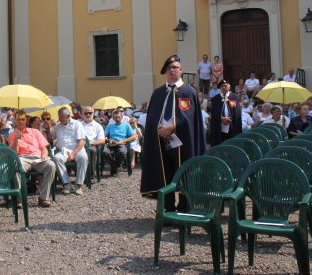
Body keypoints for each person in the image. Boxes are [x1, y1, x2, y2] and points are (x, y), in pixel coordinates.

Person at [140, 54, 205, 211]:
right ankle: (167, 209)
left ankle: (184, 208)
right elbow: (152, 117)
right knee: (164, 174)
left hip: (183, 141)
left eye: (175, 68)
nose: (172, 71)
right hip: (161, 140)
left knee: (183, 172)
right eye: (169, 68)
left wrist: (173, 127)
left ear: (181, 70)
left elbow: (189, 117)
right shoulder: (158, 93)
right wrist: (159, 129)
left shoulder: (188, 92)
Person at [8, 110, 56, 207]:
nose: (21, 122)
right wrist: (16, 139)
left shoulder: (35, 132)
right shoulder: (12, 135)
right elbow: (13, 153)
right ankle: (19, 198)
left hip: (37, 158)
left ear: (26, 120)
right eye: (18, 120)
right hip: (23, 158)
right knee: (15, 165)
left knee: (51, 165)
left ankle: (43, 198)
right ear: (15, 121)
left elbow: (44, 148)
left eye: (23, 119)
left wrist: (44, 155)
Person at [51, 107, 87, 195]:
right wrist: (48, 128)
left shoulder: (77, 124)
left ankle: (79, 185)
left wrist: (74, 154)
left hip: (77, 149)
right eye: (59, 117)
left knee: (83, 157)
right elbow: (51, 138)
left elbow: (82, 141)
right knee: (56, 158)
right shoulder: (57, 127)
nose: (59, 119)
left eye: (61, 117)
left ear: (67, 116)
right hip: (64, 151)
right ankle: (67, 184)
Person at [102, 110, 137, 177]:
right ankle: (115, 166)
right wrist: (107, 140)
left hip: (122, 143)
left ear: (122, 117)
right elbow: (104, 135)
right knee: (105, 152)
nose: (117, 119)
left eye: (118, 117)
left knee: (122, 152)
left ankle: (114, 168)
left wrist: (124, 140)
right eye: (115, 118)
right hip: (111, 143)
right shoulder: (110, 126)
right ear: (113, 118)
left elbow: (134, 136)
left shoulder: (126, 125)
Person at [208, 80, 242, 146]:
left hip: (231, 126)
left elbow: (236, 112)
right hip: (219, 127)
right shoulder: (215, 99)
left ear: (229, 87)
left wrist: (229, 119)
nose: (223, 87)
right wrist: (221, 118)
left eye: (225, 86)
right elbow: (214, 113)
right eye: (221, 86)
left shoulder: (233, 97)